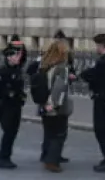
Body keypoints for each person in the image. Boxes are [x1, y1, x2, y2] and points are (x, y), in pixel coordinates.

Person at [82, 34, 105, 172]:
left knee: (101, 130)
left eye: (97, 45)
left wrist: (85, 75)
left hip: (102, 100)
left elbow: (94, 76)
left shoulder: (104, 62)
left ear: (101, 46)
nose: (96, 48)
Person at [38, 39, 73, 172]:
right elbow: (59, 88)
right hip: (55, 107)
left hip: (43, 104)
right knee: (59, 135)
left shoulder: (45, 65)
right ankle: (52, 161)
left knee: (48, 133)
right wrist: (54, 105)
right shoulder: (61, 67)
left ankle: (46, 155)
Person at [0, 43, 27, 169]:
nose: (17, 57)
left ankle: (7, 157)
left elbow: (19, 87)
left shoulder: (17, 70)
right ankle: (4, 158)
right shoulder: (3, 72)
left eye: (18, 54)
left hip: (16, 106)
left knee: (13, 132)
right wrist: (8, 94)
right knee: (8, 132)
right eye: (15, 55)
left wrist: (22, 96)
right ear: (8, 57)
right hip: (6, 105)